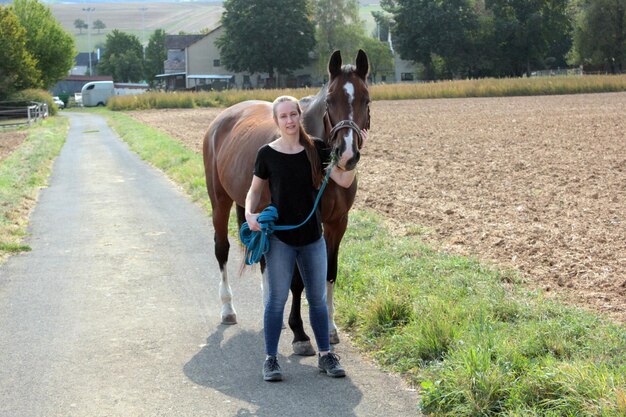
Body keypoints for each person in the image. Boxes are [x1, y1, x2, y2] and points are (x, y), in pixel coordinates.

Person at [244, 95, 367, 382]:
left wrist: (356, 151)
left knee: (317, 300)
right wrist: (250, 214)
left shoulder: (318, 149)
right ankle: (271, 360)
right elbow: (254, 190)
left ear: (300, 116)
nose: (289, 120)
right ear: (277, 121)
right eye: (283, 116)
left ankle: (326, 355)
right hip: (280, 242)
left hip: (313, 239)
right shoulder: (267, 154)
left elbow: (344, 180)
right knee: (276, 300)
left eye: (293, 115)